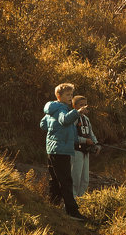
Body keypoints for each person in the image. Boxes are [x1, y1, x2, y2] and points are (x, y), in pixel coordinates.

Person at [42, 82, 89, 221]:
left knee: (55, 180)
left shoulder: (53, 109)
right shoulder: (61, 109)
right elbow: (64, 121)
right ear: (59, 96)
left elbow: (43, 124)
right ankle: (72, 211)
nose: (70, 97)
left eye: (71, 94)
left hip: (53, 149)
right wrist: (78, 112)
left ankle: (53, 206)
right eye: (67, 95)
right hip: (60, 150)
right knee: (66, 180)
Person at [70, 94, 100, 198]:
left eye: (85, 105)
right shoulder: (73, 118)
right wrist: (84, 140)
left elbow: (91, 133)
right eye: (81, 105)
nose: (84, 107)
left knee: (85, 179)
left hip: (85, 151)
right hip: (76, 151)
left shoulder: (86, 119)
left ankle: (80, 199)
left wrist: (96, 144)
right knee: (75, 177)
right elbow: (71, 137)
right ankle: (72, 200)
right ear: (74, 106)